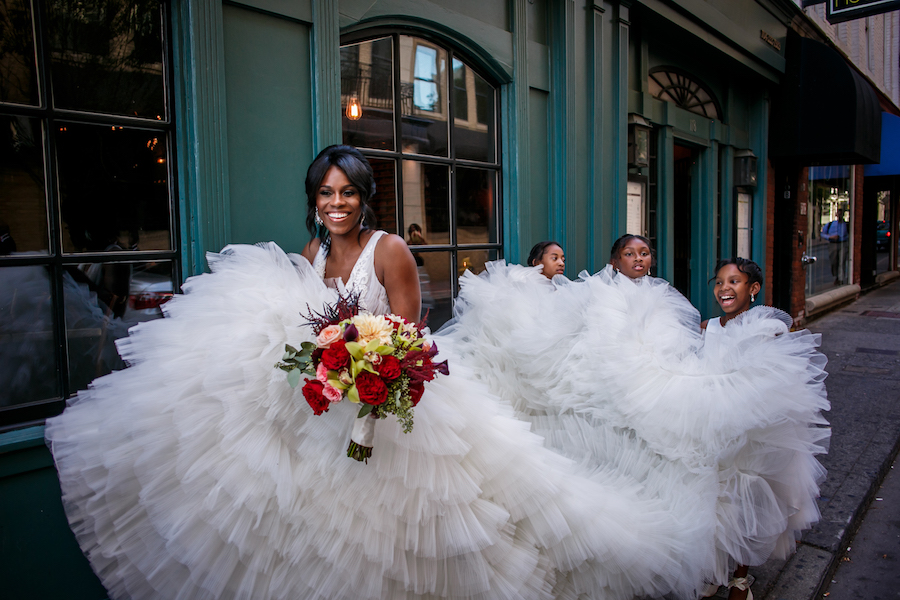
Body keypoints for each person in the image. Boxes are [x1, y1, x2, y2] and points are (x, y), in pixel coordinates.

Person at [46, 146, 705, 600]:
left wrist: (374, 362)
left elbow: (413, 334)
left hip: (393, 406)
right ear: (315, 199)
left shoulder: (390, 251)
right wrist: (323, 360)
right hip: (330, 408)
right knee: (321, 534)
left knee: (410, 531)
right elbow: (309, 324)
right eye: (326, 193)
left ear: (365, 197)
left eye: (348, 192)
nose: (337, 203)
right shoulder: (311, 249)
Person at [441, 238, 829, 597]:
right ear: (615, 261)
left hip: (742, 422)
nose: (725, 289)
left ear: (752, 289)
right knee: (717, 491)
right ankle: (719, 573)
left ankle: (739, 575)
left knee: (744, 489)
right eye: (631, 253)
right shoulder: (697, 322)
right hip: (699, 414)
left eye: (735, 282)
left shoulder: (760, 325)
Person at [821, 208, 849, 285]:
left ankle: (840, 278)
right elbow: (822, 234)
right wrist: (830, 237)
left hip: (842, 243)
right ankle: (836, 275)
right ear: (836, 215)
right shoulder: (831, 224)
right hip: (833, 244)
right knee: (834, 261)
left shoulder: (845, 225)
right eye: (839, 214)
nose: (840, 216)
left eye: (841, 214)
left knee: (842, 261)